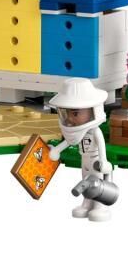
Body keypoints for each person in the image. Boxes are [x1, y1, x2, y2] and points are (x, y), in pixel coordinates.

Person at [48, 78, 115, 222]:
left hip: (96, 164)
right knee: (85, 182)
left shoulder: (95, 131)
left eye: (75, 113)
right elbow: (69, 141)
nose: (70, 119)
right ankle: (86, 204)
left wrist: (103, 161)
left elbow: (101, 146)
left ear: (92, 111)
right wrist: (57, 150)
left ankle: (99, 207)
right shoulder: (78, 132)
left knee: (97, 185)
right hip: (85, 163)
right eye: (66, 114)